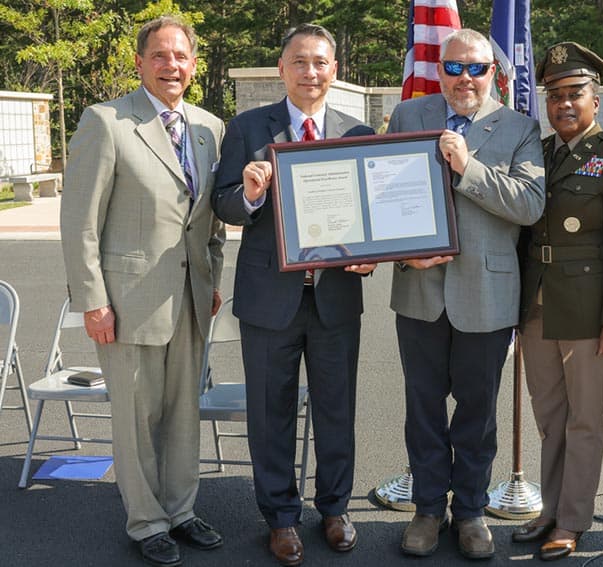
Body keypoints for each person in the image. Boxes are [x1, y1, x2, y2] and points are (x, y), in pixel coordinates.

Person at [60, 15, 226, 567]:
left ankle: (181, 510)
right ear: (139, 62)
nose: (170, 65)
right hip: (126, 303)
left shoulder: (209, 128)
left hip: (191, 298)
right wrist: (93, 299)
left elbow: (212, 224)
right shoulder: (105, 122)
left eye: (180, 56)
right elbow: (79, 221)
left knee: (183, 411)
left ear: (194, 64)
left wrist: (213, 280)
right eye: (159, 55)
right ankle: (147, 520)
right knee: (137, 418)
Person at [211, 23, 374, 567]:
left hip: (335, 298)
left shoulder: (358, 134)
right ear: (282, 69)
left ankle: (334, 508)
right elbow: (224, 205)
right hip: (268, 300)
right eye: (299, 62)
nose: (310, 72)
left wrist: (370, 252)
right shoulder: (248, 127)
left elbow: (371, 218)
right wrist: (251, 195)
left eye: (321, 62)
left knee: (337, 409)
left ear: (335, 70)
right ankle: (280, 518)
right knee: (269, 412)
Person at [387, 28, 545, 560]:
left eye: (475, 68)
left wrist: (466, 168)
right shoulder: (409, 117)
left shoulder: (521, 127)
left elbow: (528, 206)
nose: (464, 78)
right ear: (439, 72)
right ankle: (429, 509)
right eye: (453, 68)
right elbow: (384, 198)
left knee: (477, 412)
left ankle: (472, 511)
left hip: (488, 293)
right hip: (419, 290)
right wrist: (402, 252)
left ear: (494, 73)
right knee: (423, 408)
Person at [512, 42, 603, 561]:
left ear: (596, 98)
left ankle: (572, 519)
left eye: (574, 94)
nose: (564, 105)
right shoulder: (540, 154)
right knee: (549, 416)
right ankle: (549, 509)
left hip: (590, 310)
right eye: (555, 96)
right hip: (539, 304)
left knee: (585, 418)